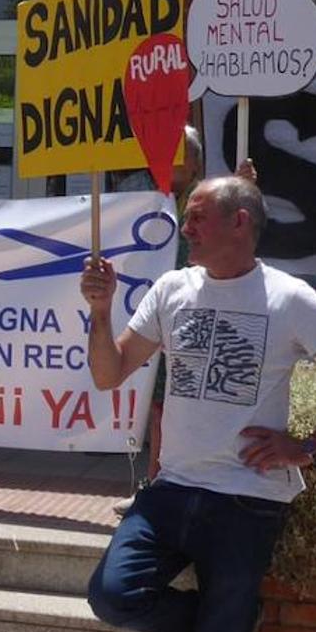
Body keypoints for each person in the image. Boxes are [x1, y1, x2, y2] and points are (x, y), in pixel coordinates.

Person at [80, 173, 316, 632]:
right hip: (172, 489)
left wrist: (309, 448)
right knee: (112, 598)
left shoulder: (289, 298)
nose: (185, 229)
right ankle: (228, 621)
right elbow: (108, 373)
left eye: (197, 217)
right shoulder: (171, 288)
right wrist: (100, 311)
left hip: (246, 501)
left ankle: (226, 628)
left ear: (239, 222)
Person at [114, 123, 206, 517]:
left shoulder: (208, 200)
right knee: (155, 406)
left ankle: (171, 488)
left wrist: (247, 187)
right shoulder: (143, 193)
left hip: (194, 315)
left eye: (179, 152)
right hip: (149, 313)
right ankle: (153, 486)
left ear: (197, 161)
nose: (170, 161)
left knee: (176, 407)